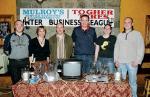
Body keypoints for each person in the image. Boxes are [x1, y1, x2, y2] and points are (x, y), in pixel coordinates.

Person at [114, 17, 145, 97]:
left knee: (132, 82)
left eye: (129, 22)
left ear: (132, 24)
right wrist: (116, 60)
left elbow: (141, 48)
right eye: (125, 22)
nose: (127, 24)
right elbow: (116, 48)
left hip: (132, 63)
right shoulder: (120, 35)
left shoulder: (137, 34)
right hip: (120, 63)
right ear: (123, 24)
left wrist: (138, 61)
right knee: (119, 82)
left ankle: (134, 95)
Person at [4, 20, 31, 84]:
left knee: (26, 81)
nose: (19, 26)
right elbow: (6, 49)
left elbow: (31, 49)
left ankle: (24, 94)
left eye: (21, 25)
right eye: (17, 25)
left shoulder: (28, 37)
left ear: (23, 27)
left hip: (25, 62)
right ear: (14, 26)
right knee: (15, 83)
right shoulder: (9, 37)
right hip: (13, 63)